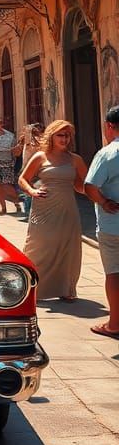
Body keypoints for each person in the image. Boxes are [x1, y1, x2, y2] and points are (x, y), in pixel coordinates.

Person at [18, 120, 87, 301]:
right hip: (43, 208)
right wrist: (32, 191)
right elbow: (23, 179)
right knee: (38, 247)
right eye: (60, 135)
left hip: (67, 208)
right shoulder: (40, 156)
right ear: (52, 136)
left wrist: (100, 196)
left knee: (67, 248)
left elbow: (83, 186)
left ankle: (67, 288)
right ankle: (30, 287)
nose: (64, 139)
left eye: (67, 135)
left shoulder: (75, 159)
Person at [84, 105, 119, 338]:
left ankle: (115, 323)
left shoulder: (108, 153)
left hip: (113, 225)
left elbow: (90, 186)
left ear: (109, 126)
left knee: (114, 273)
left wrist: (105, 202)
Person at [0, 118, 21, 214]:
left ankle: (16, 201)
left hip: (6, 162)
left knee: (6, 185)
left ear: (3, 125)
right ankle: (3, 208)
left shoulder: (10, 136)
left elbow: (15, 152)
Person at [19, 123, 44, 221]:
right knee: (28, 192)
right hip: (29, 169)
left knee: (29, 192)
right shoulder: (29, 141)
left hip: (33, 170)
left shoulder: (35, 141)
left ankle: (29, 213)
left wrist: (29, 130)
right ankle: (30, 213)